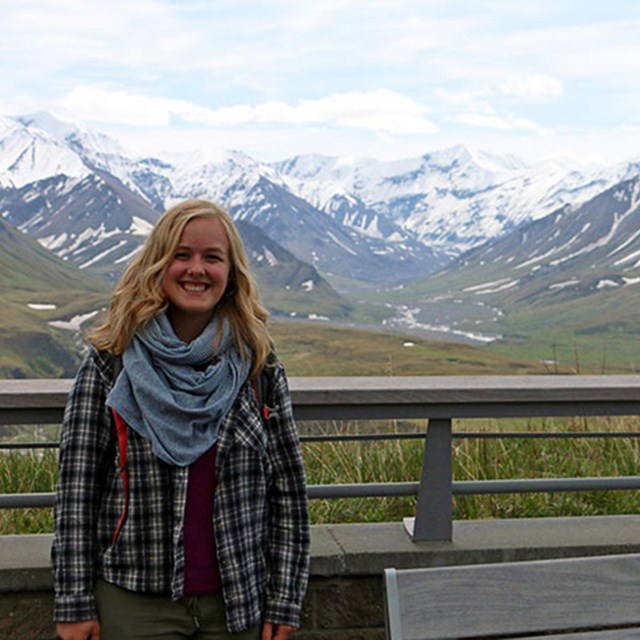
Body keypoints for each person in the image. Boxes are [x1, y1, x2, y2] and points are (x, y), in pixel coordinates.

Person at [52, 199, 310, 640]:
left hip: (239, 606)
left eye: (212, 257)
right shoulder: (109, 365)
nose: (197, 269)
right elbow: (77, 492)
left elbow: (287, 494)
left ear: (230, 273)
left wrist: (284, 601)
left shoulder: (258, 368)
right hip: (134, 604)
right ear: (158, 264)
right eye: (181, 255)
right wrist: (74, 602)